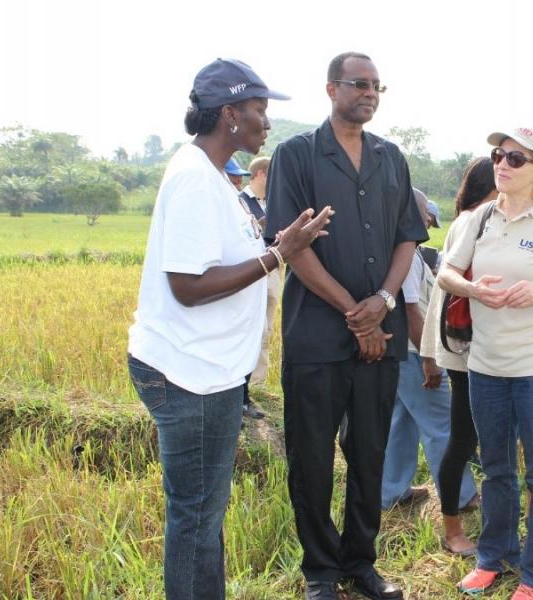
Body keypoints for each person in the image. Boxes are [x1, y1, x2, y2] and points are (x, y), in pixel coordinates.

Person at [126, 58, 330, 600]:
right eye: (260, 110)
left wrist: (274, 244)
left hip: (210, 371)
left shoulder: (214, 177)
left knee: (203, 514)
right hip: (189, 374)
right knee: (196, 517)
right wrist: (278, 255)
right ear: (230, 114)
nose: (267, 122)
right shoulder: (194, 178)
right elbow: (187, 285)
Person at [263, 51, 427, 600]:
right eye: (360, 84)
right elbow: (292, 248)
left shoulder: (391, 158)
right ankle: (320, 572)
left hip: (381, 333)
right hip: (317, 336)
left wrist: (382, 300)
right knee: (310, 458)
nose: (371, 93)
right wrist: (355, 315)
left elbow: (408, 236)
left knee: (370, 452)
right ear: (331, 89)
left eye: (378, 86)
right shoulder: (296, 156)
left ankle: (361, 563)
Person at [438, 128, 533, 600]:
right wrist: (473, 289)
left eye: (516, 159)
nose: (502, 164)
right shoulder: (479, 219)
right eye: (498, 155)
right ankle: (495, 557)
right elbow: (445, 272)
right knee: (496, 466)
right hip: (485, 363)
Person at [380, 189, 478, 518]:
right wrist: (430, 358)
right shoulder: (404, 258)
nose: (427, 223)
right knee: (440, 424)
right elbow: (411, 312)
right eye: (424, 215)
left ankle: (391, 490)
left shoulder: (411, 254)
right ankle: (461, 496)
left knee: (401, 421)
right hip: (413, 353)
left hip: (402, 354)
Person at [420, 157, 497, 556]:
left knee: (472, 438)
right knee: (463, 439)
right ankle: (452, 529)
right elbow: (445, 292)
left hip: (472, 347)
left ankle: (483, 521)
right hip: (467, 348)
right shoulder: (476, 220)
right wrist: (431, 354)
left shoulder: (470, 219)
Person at [240, 157, 283, 407]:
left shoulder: (272, 203)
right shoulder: (241, 202)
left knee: (267, 328)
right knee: (253, 327)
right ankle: (244, 385)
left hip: (274, 269)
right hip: (252, 270)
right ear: (261, 174)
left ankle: (258, 383)